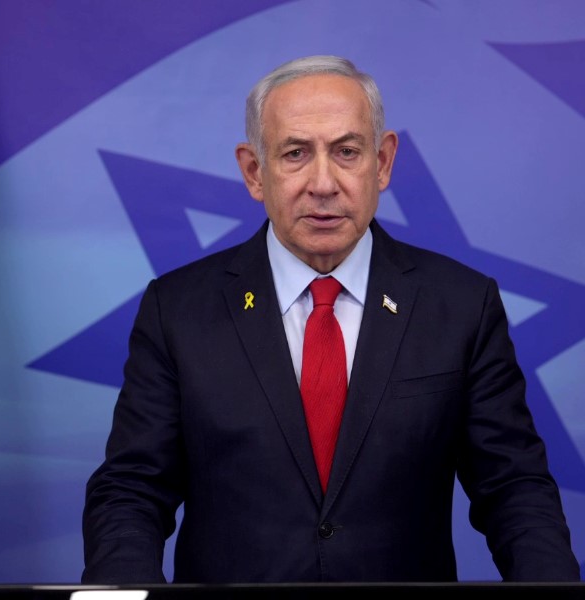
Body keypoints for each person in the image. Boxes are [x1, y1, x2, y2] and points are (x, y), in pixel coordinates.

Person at [81, 55, 581, 583]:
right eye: (296, 153)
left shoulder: (460, 305)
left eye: (346, 152)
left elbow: (513, 487)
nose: (324, 183)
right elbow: (133, 489)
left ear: (383, 162)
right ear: (255, 171)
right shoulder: (178, 309)